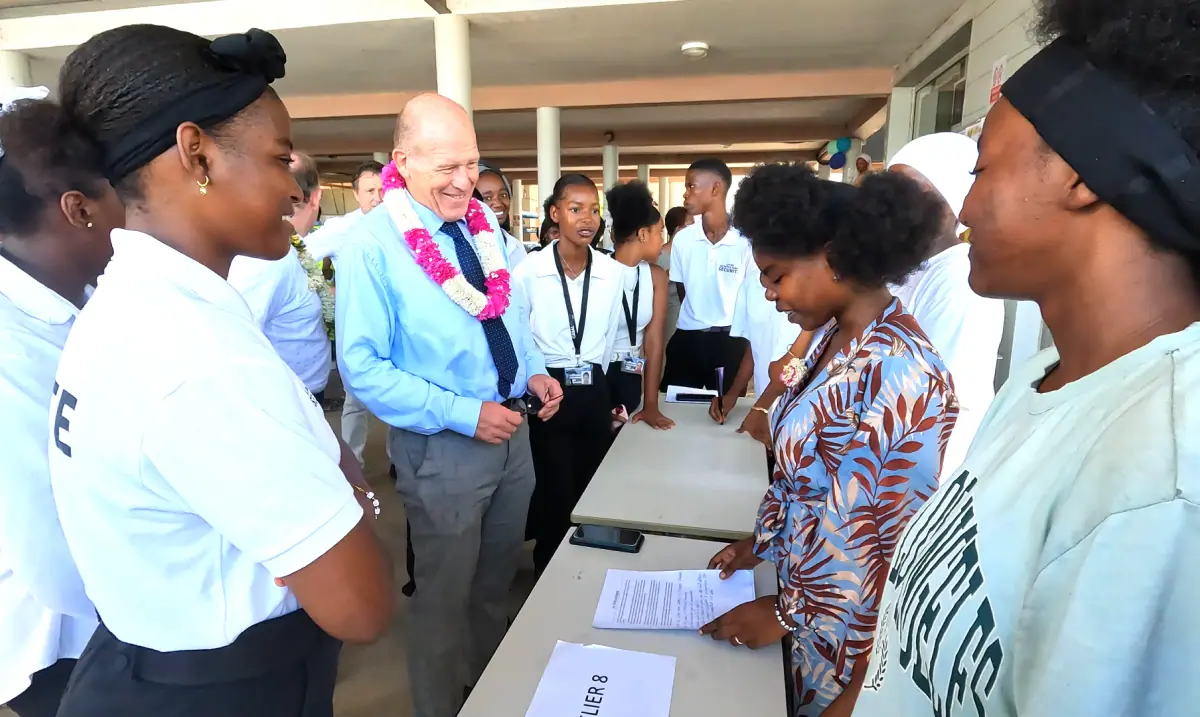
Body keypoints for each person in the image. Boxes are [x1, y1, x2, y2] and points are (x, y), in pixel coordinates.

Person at [852, 0, 1200, 715]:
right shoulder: (1045, 384)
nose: (966, 206)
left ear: (1080, 174)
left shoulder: (1163, 476)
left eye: (983, 170)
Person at [47, 26, 393, 717]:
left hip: (138, 661)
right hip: (226, 689)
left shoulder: (127, 305)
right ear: (195, 152)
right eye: (276, 157)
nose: (294, 185)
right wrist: (351, 487)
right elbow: (363, 605)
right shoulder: (198, 357)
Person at [699, 165, 956, 717]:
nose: (768, 294)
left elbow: (875, 540)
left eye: (777, 276)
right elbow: (807, 479)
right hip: (796, 595)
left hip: (841, 632)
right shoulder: (832, 339)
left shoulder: (899, 371)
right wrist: (761, 543)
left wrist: (788, 614)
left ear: (835, 255)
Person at [336, 93, 562, 717]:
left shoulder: (484, 228)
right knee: (442, 599)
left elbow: (507, 318)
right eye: (447, 168)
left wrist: (535, 372)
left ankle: (488, 697)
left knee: (494, 590)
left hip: (513, 433)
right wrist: (467, 413)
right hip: (444, 449)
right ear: (402, 163)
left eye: (473, 164)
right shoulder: (373, 244)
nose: (466, 182)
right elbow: (363, 369)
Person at [0, 98, 124, 717]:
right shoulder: (8, 351)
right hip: (61, 644)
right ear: (77, 210)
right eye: (118, 198)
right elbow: (50, 556)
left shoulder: (85, 298)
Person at [511, 174, 623, 574]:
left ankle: (587, 566)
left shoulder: (613, 273)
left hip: (593, 386)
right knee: (554, 486)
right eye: (575, 209)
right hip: (548, 386)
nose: (586, 218)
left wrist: (602, 385)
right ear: (555, 214)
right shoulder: (528, 271)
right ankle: (549, 569)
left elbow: (611, 338)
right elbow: (520, 333)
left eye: (594, 209)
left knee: (592, 482)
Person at [885, 133, 1005, 480]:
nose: (894, 202)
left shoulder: (958, 275)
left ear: (952, 201)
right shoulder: (903, 267)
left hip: (932, 461)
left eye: (910, 190)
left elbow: (932, 393)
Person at [227, 151, 333, 402]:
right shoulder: (271, 258)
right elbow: (241, 339)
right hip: (285, 398)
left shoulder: (292, 246)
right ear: (316, 196)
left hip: (300, 392)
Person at [303, 160, 384, 469]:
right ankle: (353, 464)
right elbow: (299, 254)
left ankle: (398, 461)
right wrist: (324, 291)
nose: (377, 197)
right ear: (356, 193)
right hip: (357, 323)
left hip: (397, 322)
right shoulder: (342, 228)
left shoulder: (401, 224)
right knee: (355, 398)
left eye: (383, 189)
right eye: (370, 190)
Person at [662, 158, 752, 394]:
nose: (685, 194)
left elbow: (751, 294)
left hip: (730, 342)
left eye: (691, 186)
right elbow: (683, 292)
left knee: (723, 414)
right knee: (675, 410)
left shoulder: (745, 241)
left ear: (715, 188)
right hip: (687, 339)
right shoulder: (683, 239)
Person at [605, 180, 674, 429]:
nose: (662, 241)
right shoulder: (599, 273)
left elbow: (654, 341)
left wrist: (651, 404)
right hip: (596, 377)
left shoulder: (656, 276)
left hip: (631, 374)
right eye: (660, 232)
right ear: (644, 234)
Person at [657, 205, 692, 343]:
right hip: (670, 321)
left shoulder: (694, 256)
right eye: (690, 227)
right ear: (678, 230)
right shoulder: (659, 257)